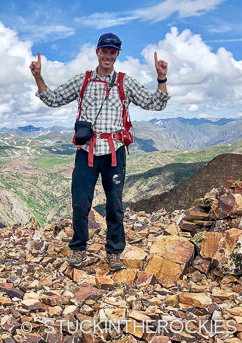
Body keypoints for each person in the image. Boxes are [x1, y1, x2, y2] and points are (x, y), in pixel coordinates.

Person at [29, 33, 169, 271]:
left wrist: (162, 78)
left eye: (113, 52)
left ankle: (114, 252)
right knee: (81, 203)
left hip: (115, 151)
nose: (108, 55)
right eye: (104, 51)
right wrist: (38, 77)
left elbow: (155, 103)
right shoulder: (83, 80)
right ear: (97, 52)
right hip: (87, 150)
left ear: (117, 55)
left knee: (115, 204)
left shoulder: (125, 82)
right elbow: (52, 99)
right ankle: (78, 249)